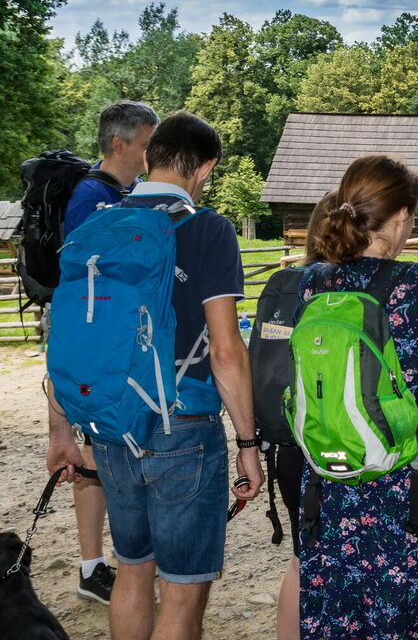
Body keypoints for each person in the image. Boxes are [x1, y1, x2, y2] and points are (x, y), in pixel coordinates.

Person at [50, 111, 264, 640]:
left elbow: (67, 330)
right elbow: (226, 350)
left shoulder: (99, 225)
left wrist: (63, 427)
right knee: (184, 588)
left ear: (148, 157)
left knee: (132, 569)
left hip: (110, 425)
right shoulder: (208, 229)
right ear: (207, 167)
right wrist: (247, 440)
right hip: (182, 425)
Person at [297, 154, 418, 638]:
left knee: (349, 613)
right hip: (417, 484)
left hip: (338, 479)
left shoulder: (312, 283)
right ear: (403, 217)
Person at [46, 99, 159, 605]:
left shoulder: (125, 192)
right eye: (146, 144)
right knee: (91, 456)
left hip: (113, 343)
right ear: (120, 144)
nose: (151, 154)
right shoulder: (92, 196)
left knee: (102, 454)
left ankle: (108, 563)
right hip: (93, 344)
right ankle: (94, 566)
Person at [274, 192, 335, 640]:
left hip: (291, 444)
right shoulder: (356, 288)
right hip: (347, 447)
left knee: (302, 556)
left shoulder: (288, 282)